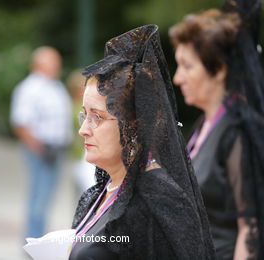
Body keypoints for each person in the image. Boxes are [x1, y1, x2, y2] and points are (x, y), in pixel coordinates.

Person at [69, 25, 215, 259]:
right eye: (84, 115)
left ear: (134, 125)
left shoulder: (158, 201)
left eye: (96, 117)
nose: (83, 130)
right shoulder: (104, 190)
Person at [169, 1, 264, 258]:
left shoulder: (240, 131)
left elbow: (252, 228)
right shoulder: (205, 125)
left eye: (187, 66)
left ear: (219, 69)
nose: (178, 78)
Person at [10, 46, 73, 238]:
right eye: (53, 61)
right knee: (38, 198)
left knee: (46, 198)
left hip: (56, 149)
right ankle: (33, 241)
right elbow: (21, 122)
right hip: (41, 150)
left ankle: (37, 239)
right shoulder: (30, 88)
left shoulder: (55, 86)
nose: (58, 66)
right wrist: (39, 148)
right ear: (39, 64)